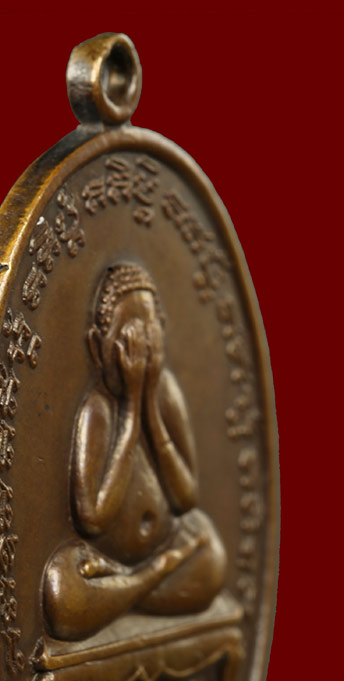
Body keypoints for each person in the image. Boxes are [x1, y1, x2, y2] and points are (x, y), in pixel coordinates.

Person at [43, 263, 227, 642]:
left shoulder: (166, 393)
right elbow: (94, 518)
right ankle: (148, 580)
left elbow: (185, 498)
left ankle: (127, 589)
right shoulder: (98, 410)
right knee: (61, 588)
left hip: (166, 543)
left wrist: (150, 410)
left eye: (149, 334)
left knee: (212, 557)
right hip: (104, 561)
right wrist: (130, 410)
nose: (140, 349)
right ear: (97, 346)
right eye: (128, 336)